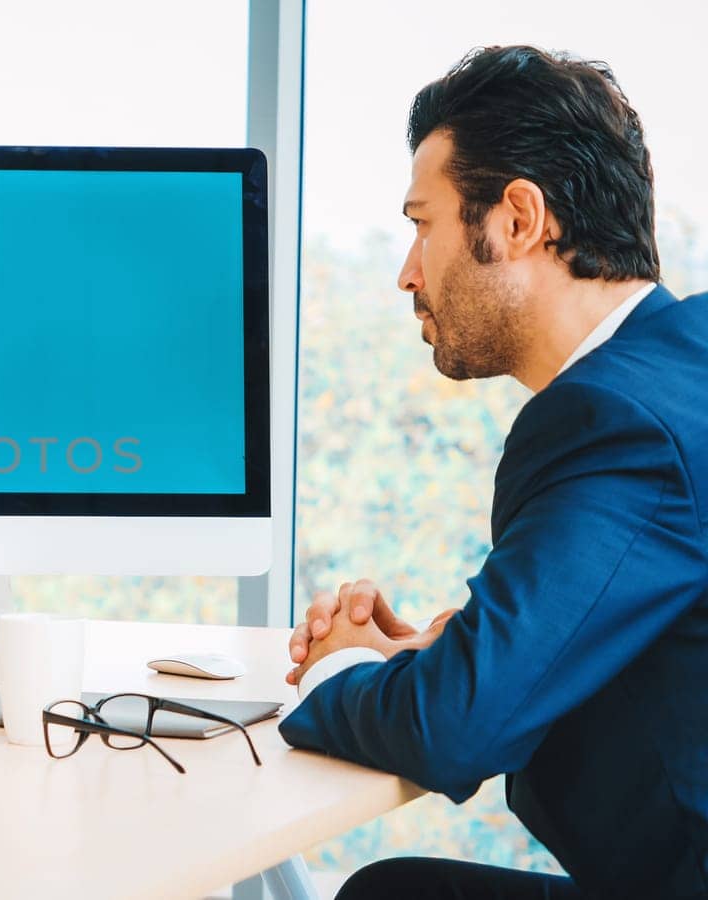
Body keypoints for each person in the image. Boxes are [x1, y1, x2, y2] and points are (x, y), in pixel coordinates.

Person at [280, 46, 708, 897]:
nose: (407, 273)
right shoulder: (684, 366)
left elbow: (457, 733)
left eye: (422, 223)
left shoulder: (614, 422)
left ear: (517, 219)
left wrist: (340, 671)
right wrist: (449, 655)